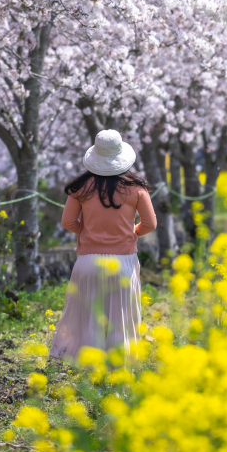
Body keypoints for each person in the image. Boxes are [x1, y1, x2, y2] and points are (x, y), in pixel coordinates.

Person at [50, 129, 157, 361]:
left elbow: (68, 222)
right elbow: (150, 224)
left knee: (88, 315)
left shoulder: (80, 188)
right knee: (120, 315)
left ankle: (88, 366)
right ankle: (119, 367)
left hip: (88, 261)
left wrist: (87, 233)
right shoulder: (136, 188)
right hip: (124, 262)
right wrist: (132, 233)